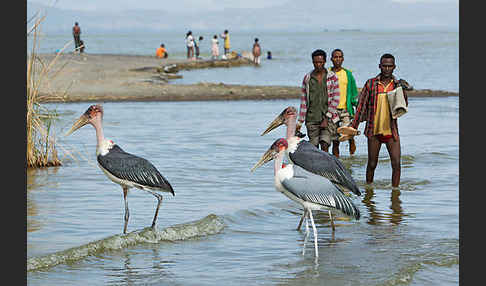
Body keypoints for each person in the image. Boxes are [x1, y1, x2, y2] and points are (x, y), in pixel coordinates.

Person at [350, 53, 408, 188]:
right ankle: (368, 191)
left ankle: (395, 193)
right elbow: (361, 106)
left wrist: (403, 90)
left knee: (396, 164)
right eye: (384, 66)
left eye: (389, 66)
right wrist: (353, 127)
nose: (387, 69)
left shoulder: (397, 85)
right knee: (371, 164)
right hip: (374, 130)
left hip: (391, 131)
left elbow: (403, 106)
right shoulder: (371, 84)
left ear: (394, 67)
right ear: (379, 66)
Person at [296, 49, 341, 153]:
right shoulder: (307, 78)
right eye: (315, 62)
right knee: (314, 148)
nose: (318, 65)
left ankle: (326, 169)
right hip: (311, 118)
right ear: (313, 62)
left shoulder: (332, 77)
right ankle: (316, 169)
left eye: (320, 62)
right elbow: (304, 102)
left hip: (328, 118)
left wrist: (327, 117)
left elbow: (336, 99)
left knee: (325, 144)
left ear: (325, 62)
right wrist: (300, 122)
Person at [329, 48, 359, 157]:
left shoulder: (348, 74)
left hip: (346, 109)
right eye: (335, 57)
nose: (337, 59)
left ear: (343, 59)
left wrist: (357, 105)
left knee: (348, 133)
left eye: (340, 57)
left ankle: (352, 157)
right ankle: (337, 161)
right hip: (333, 111)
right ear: (331, 59)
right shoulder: (328, 73)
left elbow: (354, 92)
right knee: (335, 139)